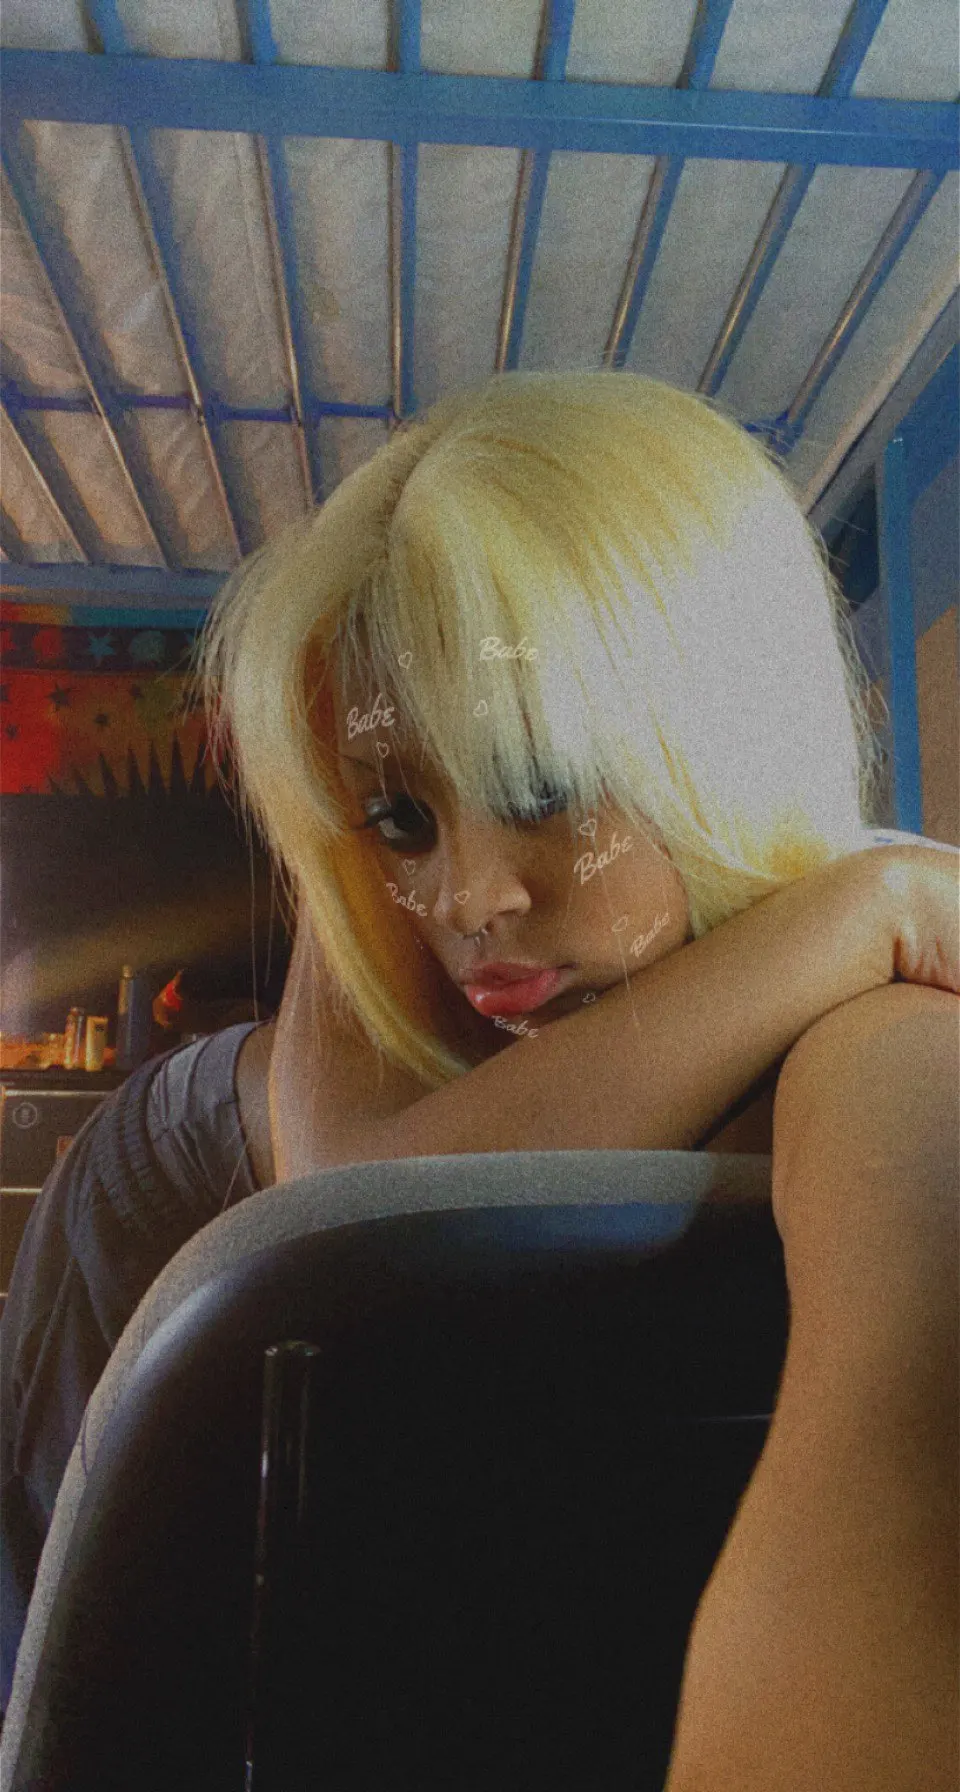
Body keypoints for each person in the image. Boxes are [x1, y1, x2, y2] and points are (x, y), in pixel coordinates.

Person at [2, 370, 957, 1775]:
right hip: (172, 1182)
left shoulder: (871, 971)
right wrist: (869, 910)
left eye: (540, 787)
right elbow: (354, 1221)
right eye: (401, 817)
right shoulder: (867, 916)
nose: (466, 898)